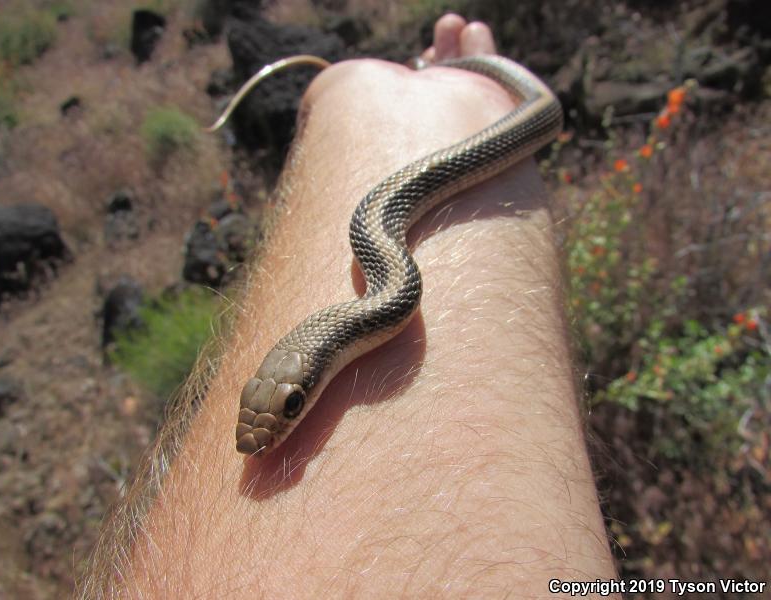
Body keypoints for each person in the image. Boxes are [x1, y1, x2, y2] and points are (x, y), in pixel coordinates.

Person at [83, 13, 619, 598]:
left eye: (292, 405)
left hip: (510, 120)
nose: (275, 426)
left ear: (318, 369)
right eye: (288, 403)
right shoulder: (385, 287)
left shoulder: (382, 273)